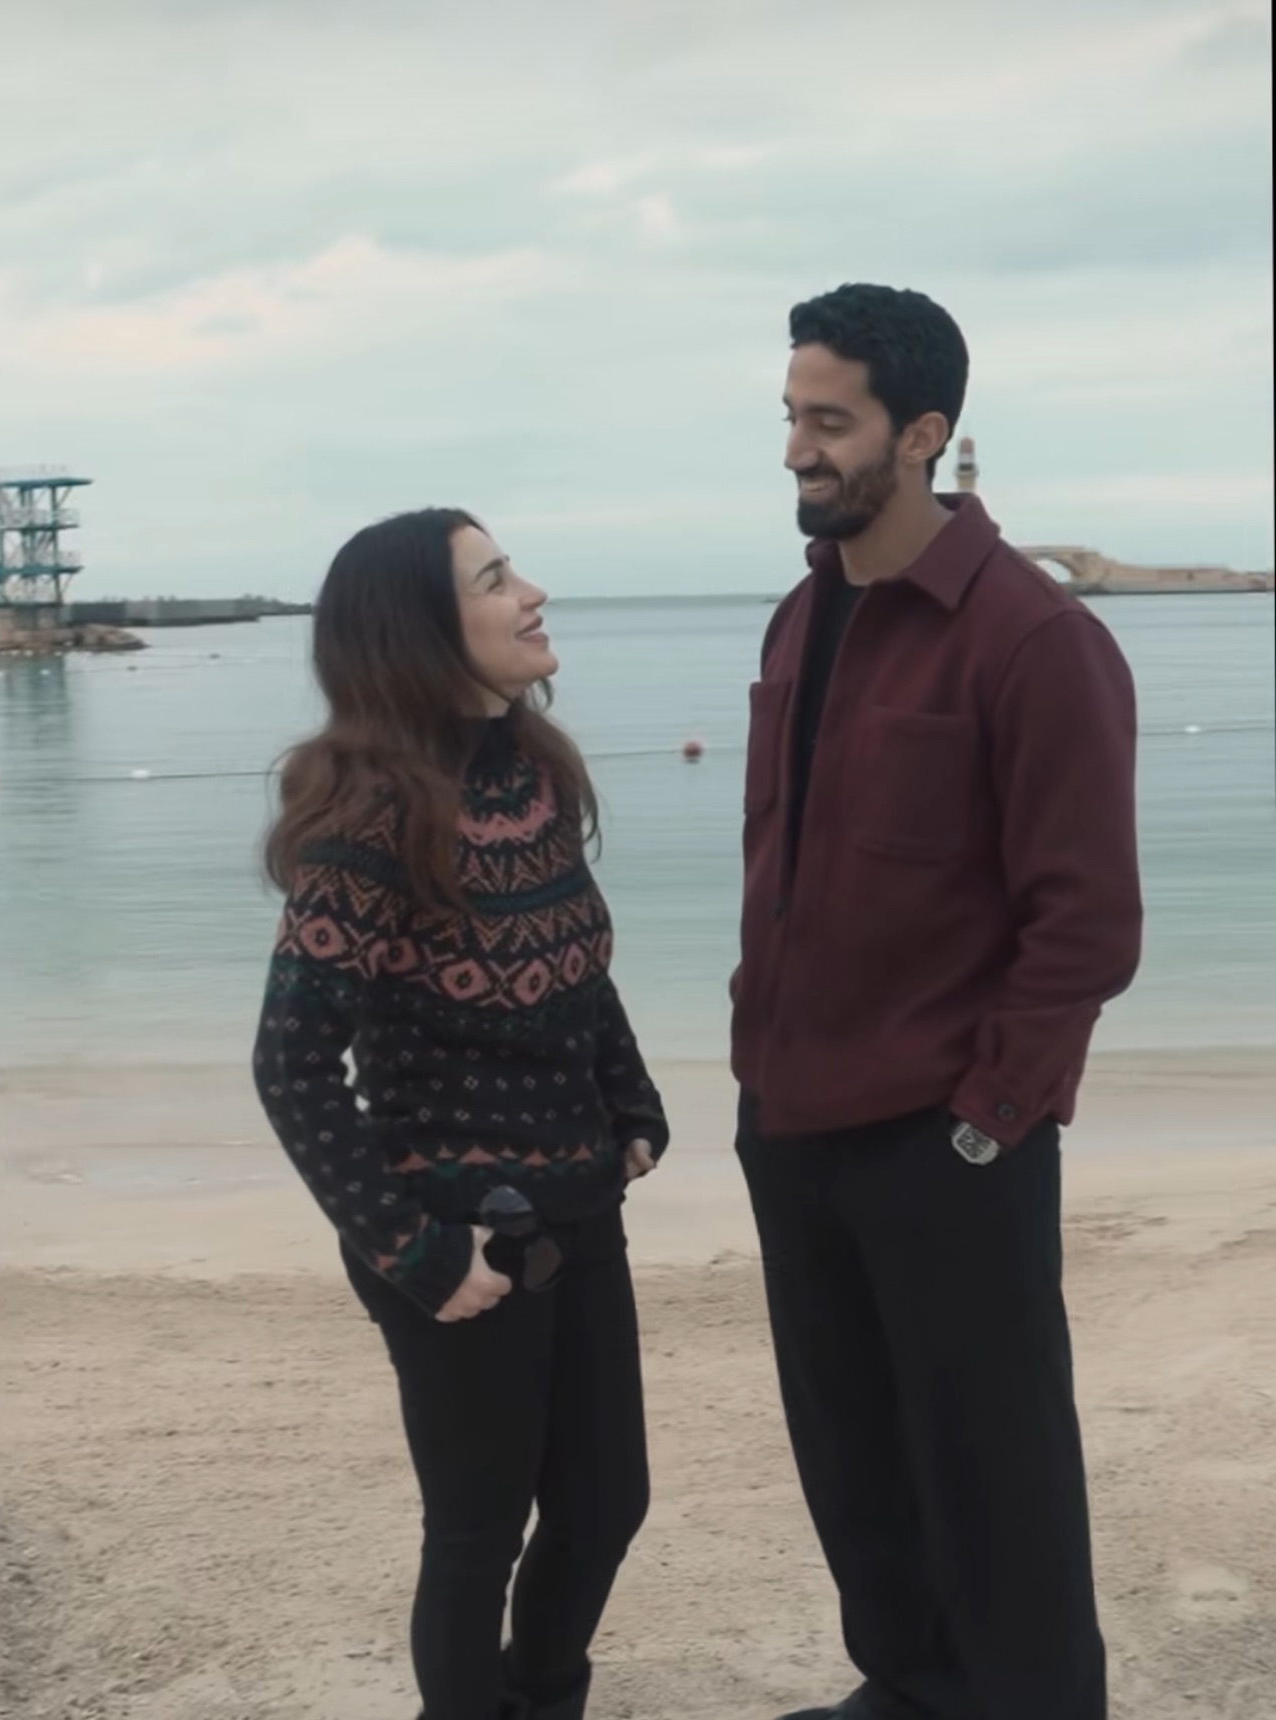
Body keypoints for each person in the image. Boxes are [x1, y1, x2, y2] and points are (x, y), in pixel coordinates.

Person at [731, 284, 1142, 1720]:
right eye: (792, 415)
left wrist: (989, 1120)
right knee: (851, 1453)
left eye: (829, 421)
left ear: (922, 434)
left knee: (995, 1470)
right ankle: (908, 1688)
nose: (798, 449)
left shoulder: (1034, 639)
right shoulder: (799, 620)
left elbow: (1085, 925)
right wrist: (755, 1083)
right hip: (792, 1123)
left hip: (947, 1139)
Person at [253, 509, 668, 1720]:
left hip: (580, 1206)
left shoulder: (536, 773)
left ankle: (543, 1698)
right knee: (479, 1530)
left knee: (606, 1504)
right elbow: (291, 1064)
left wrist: (629, 1096)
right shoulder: (368, 816)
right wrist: (414, 1250)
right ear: (423, 632)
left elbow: (577, 966)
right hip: (456, 1237)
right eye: (495, 579)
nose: (532, 592)